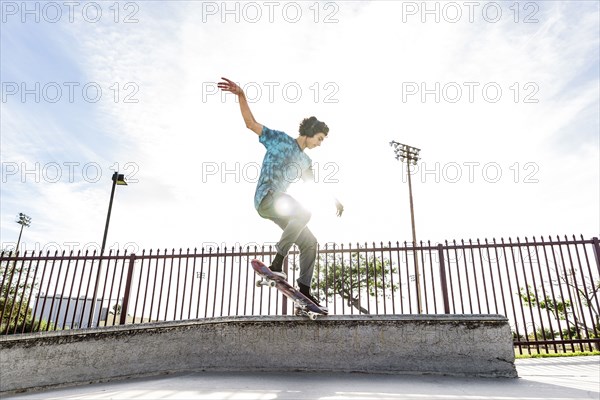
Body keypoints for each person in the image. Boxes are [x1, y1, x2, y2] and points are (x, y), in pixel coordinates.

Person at [218, 77, 343, 309]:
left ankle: (304, 289)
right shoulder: (279, 140)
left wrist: (334, 200)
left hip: (278, 208)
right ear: (311, 132)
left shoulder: (305, 161)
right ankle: (278, 261)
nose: (320, 144)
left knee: (310, 243)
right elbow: (251, 124)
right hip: (267, 196)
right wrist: (241, 95)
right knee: (305, 213)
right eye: (320, 139)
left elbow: (315, 185)